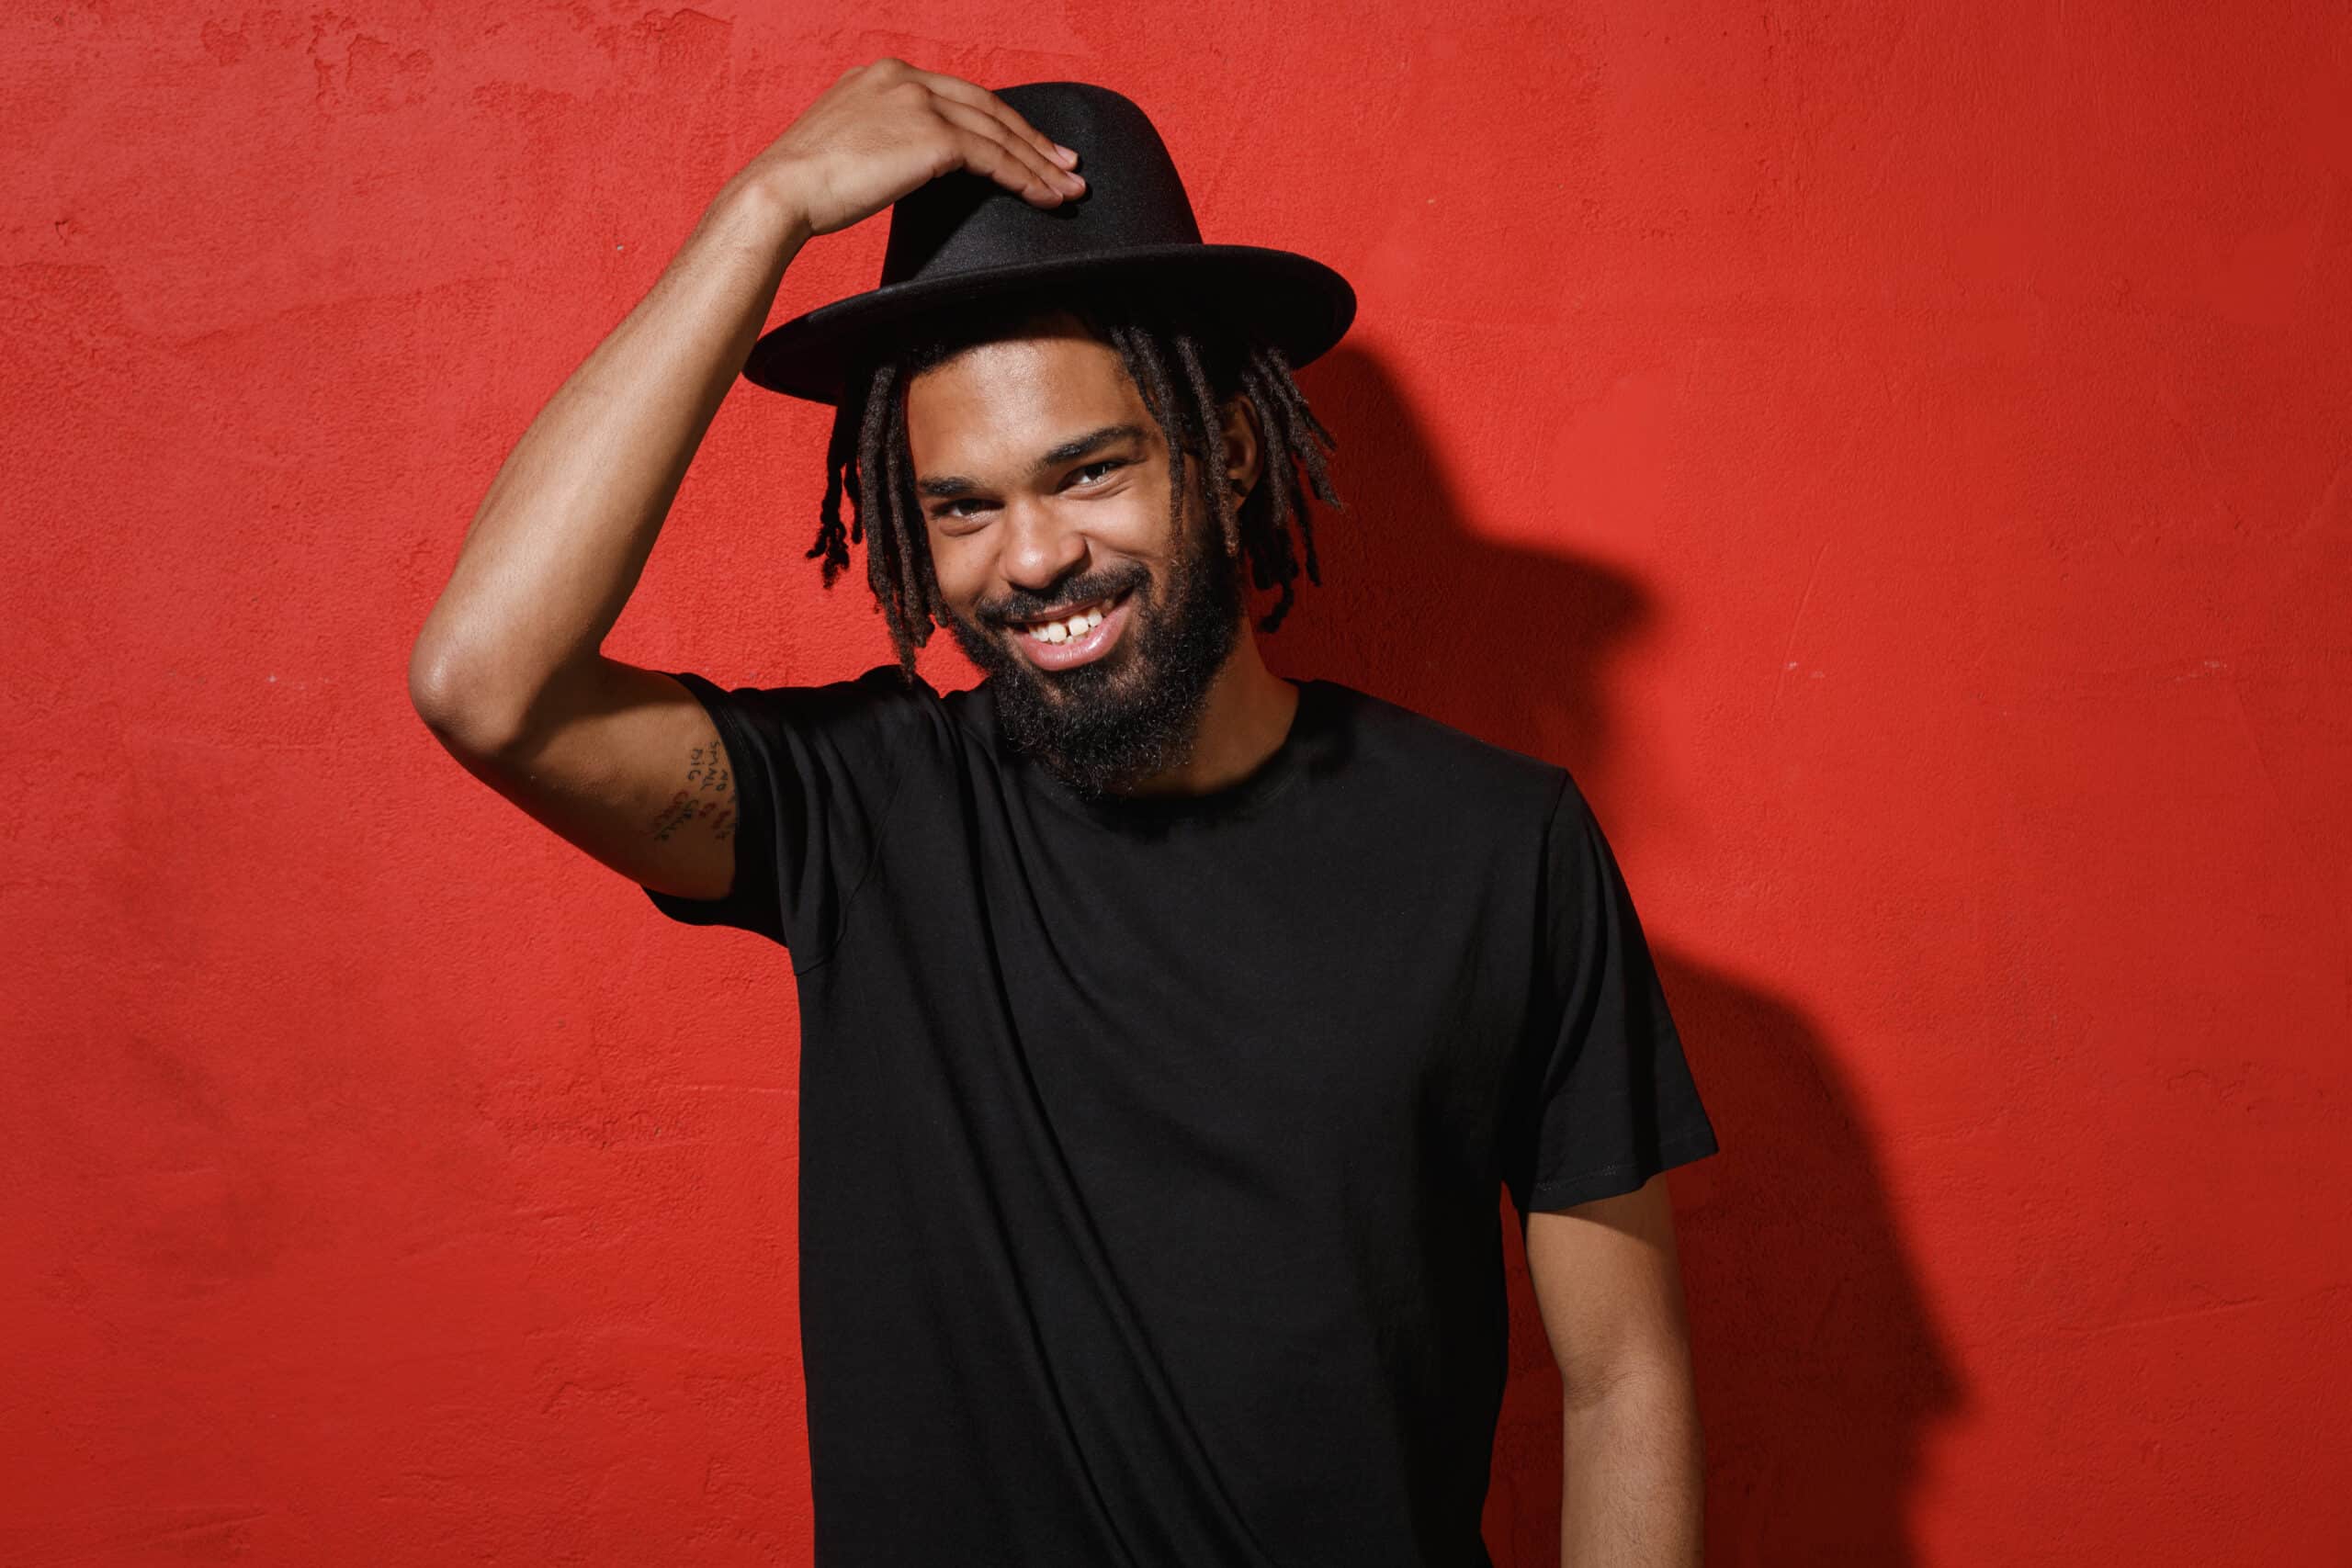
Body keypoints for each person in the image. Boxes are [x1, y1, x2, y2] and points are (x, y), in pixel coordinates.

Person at [410, 60, 1721, 1568]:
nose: (1028, 560)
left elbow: (1624, 1379)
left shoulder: (1497, 847)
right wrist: (758, 215)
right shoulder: (866, 815)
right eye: (961, 506)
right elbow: (483, 685)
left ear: (1226, 456)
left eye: (1087, 471)